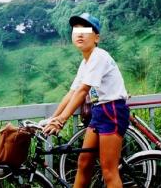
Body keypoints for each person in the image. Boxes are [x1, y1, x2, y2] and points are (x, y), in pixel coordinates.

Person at [43, 13, 129, 188]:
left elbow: (83, 91)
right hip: (99, 112)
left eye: (86, 30)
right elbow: (72, 92)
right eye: (76, 30)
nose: (80, 34)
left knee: (109, 171)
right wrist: (54, 117)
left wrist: (61, 121)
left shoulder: (99, 56)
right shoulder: (86, 62)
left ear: (96, 37)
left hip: (112, 110)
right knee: (83, 163)